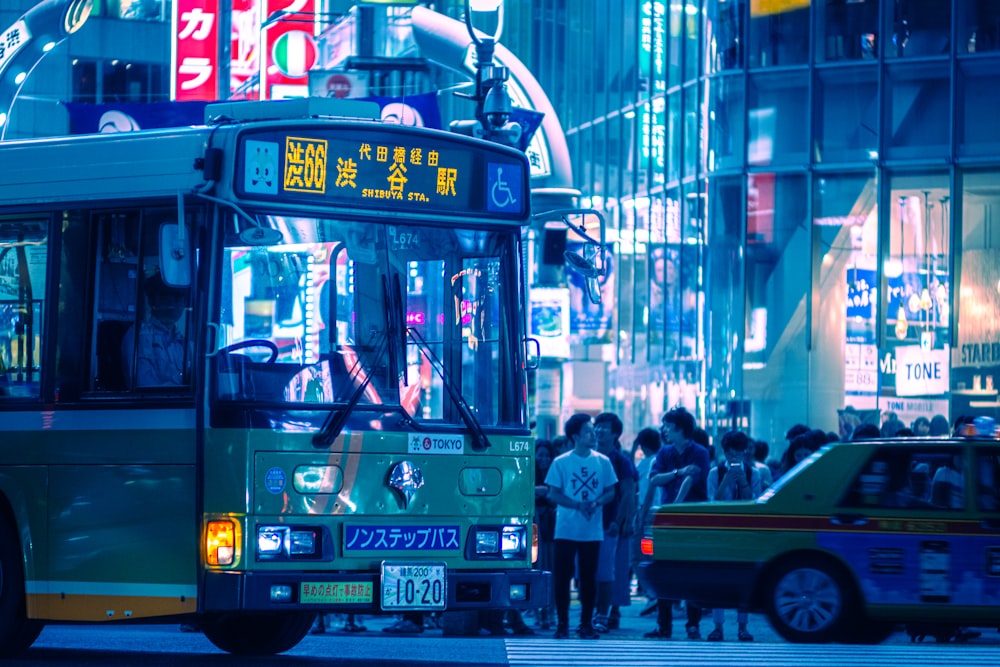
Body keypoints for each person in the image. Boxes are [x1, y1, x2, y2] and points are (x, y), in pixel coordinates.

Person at [544, 413, 618, 640]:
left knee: (588, 578)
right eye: (587, 431)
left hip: (592, 531)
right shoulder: (561, 462)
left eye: (592, 430)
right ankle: (563, 623)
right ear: (575, 436)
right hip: (566, 529)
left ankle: (586, 623)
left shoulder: (603, 462)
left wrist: (595, 503)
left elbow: (611, 491)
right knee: (562, 577)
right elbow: (553, 493)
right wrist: (578, 505)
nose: (593, 434)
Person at [640, 407, 709, 640]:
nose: (665, 430)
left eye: (668, 426)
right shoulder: (664, 453)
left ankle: (693, 624)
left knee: (693, 572)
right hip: (667, 519)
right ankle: (664, 625)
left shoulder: (700, 452)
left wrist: (673, 477)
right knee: (663, 571)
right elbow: (654, 479)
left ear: (680, 428)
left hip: (693, 519)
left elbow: (693, 476)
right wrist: (679, 472)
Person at [705, 431, 761, 642]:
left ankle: (743, 627)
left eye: (738, 453)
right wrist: (727, 480)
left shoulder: (753, 473)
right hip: (720, 531)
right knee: (719, 580)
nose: (735, 458)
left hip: (744, 532)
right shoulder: (715, 472)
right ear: (725, 452)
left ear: (744, 452)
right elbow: (713, 501)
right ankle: (718, 626)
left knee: (743, 581)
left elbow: (753, 502)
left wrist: (743, 482)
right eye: (731, 453)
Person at [592, 412, 638, 633]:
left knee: (611, 570)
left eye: (605, 428)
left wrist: (621, 520)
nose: (599, 430)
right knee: (589, 570)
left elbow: (628, 493)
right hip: (587, 522)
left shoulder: (621, 461)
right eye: (597, 426)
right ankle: (599, 610)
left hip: (610, 522)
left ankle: (608, 611)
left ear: (616, 433)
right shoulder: (587, 457)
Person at [122, 271, 190, 387]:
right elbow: (144, 387)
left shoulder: (184, 343)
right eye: (166, 295)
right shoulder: (139, 336)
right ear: (152, 299)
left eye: (179, 296)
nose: (173, 302)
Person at [532, 439, 558, 629]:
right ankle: (538, 611)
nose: (544, 459)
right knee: (536, 569)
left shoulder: (556, 473)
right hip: (534, 529)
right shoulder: (527, 473)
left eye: (547, 455)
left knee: (552, 571)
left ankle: (550, 612)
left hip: (552, 529)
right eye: (540, 455)